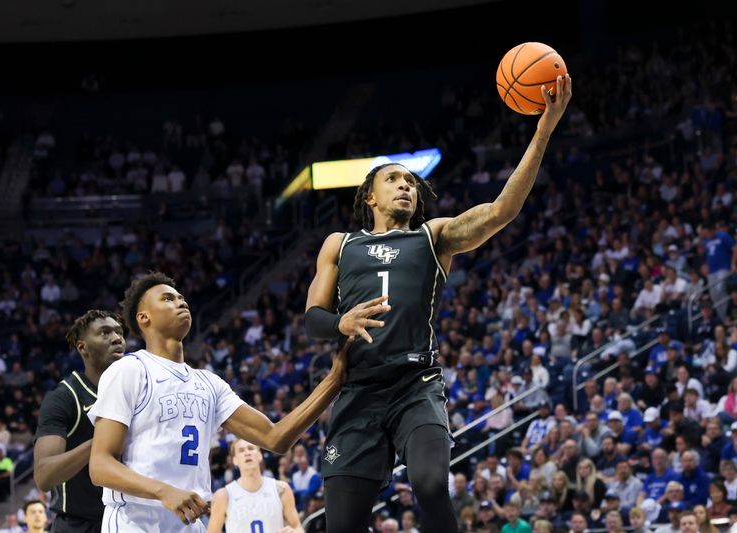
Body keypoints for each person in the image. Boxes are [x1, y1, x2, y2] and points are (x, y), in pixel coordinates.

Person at [303, 76, 572, 533]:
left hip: (416, 384)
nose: (406, 186)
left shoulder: (434, 237)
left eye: (411, 180)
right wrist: (340, 323)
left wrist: (543, 129)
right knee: (342, 525)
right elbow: (312, 320)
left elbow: (501, 211)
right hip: (358, 390)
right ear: (370, 196)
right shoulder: (339, 244)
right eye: (393, 179)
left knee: (429, 485)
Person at [88, 272, 352, 532]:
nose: (181, 302)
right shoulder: (129, 370)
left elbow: (275, 438)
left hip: (188, 524)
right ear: (144, 317)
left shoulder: (209, 384)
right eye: (168, 299)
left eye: (182, 298)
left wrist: (333, 381)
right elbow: (100, 465)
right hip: (135, 520)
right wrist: (163, 491)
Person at [34, 310, 126, 532]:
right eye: (104, 333)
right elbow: (44, 476)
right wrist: (101, 441)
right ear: (82, 347)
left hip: (129, 520)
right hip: (79, 524)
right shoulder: (65, 396)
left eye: (119, 332)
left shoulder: (135, 391)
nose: (116, 338)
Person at [207, 439, 303, 533]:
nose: (247, 453)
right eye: (241, 450)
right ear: (235, 460)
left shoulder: (281, 489)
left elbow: (297, 527)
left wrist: (294, 531)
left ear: (259, 455)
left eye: (250, 448)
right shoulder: (223, 496)